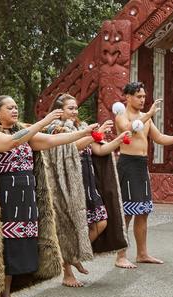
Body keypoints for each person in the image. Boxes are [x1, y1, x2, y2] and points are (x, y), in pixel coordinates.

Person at [0, 95, 92, 297]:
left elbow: (51, 141)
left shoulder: (22, 131)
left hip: (26, 197)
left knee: (17, 245)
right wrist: (44, 122)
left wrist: (85, 133)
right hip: (2, 197)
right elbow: (11, 143)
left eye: (16, 107)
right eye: (9, 108)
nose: (14, 111)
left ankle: (7, 294)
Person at [44, 93, 130, 287]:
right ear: (59, 110)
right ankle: (67, 273)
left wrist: (118, 139)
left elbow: (99, 150)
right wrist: (91, 134)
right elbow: (70, 147)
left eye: (76, 108)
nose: (75, 112)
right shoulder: (53, 129)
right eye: (70, 108)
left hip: (88, 182)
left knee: (100, 223)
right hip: (67, 184)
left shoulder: (81, 128)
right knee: (70, 228)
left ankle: (75, 256)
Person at [112, 82, 173, 269]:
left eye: (144, 96)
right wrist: (149, 114)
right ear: (128, 97)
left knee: (143, 211)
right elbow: (129, 129)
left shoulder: (145, 118)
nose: (143, 99)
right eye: (139, 96)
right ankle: (120, 256)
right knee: (127, 212)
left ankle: (142, 253)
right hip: (127, 165)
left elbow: (159, 137)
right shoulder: (122, 115)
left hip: (141, 165)